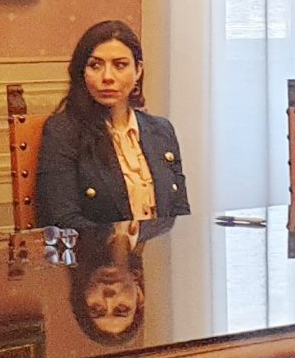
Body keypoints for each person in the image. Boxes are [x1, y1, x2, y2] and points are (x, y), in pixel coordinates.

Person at [36, 21, 191, 234]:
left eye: (120, 65)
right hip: (94, 253)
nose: (107, 77)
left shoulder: (162, 130)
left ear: (138, 70)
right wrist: (119, 241)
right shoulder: (62, 131)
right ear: (82, 72)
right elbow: (61, 219)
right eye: (95, 66)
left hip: (159, 252)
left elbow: (180, 213)